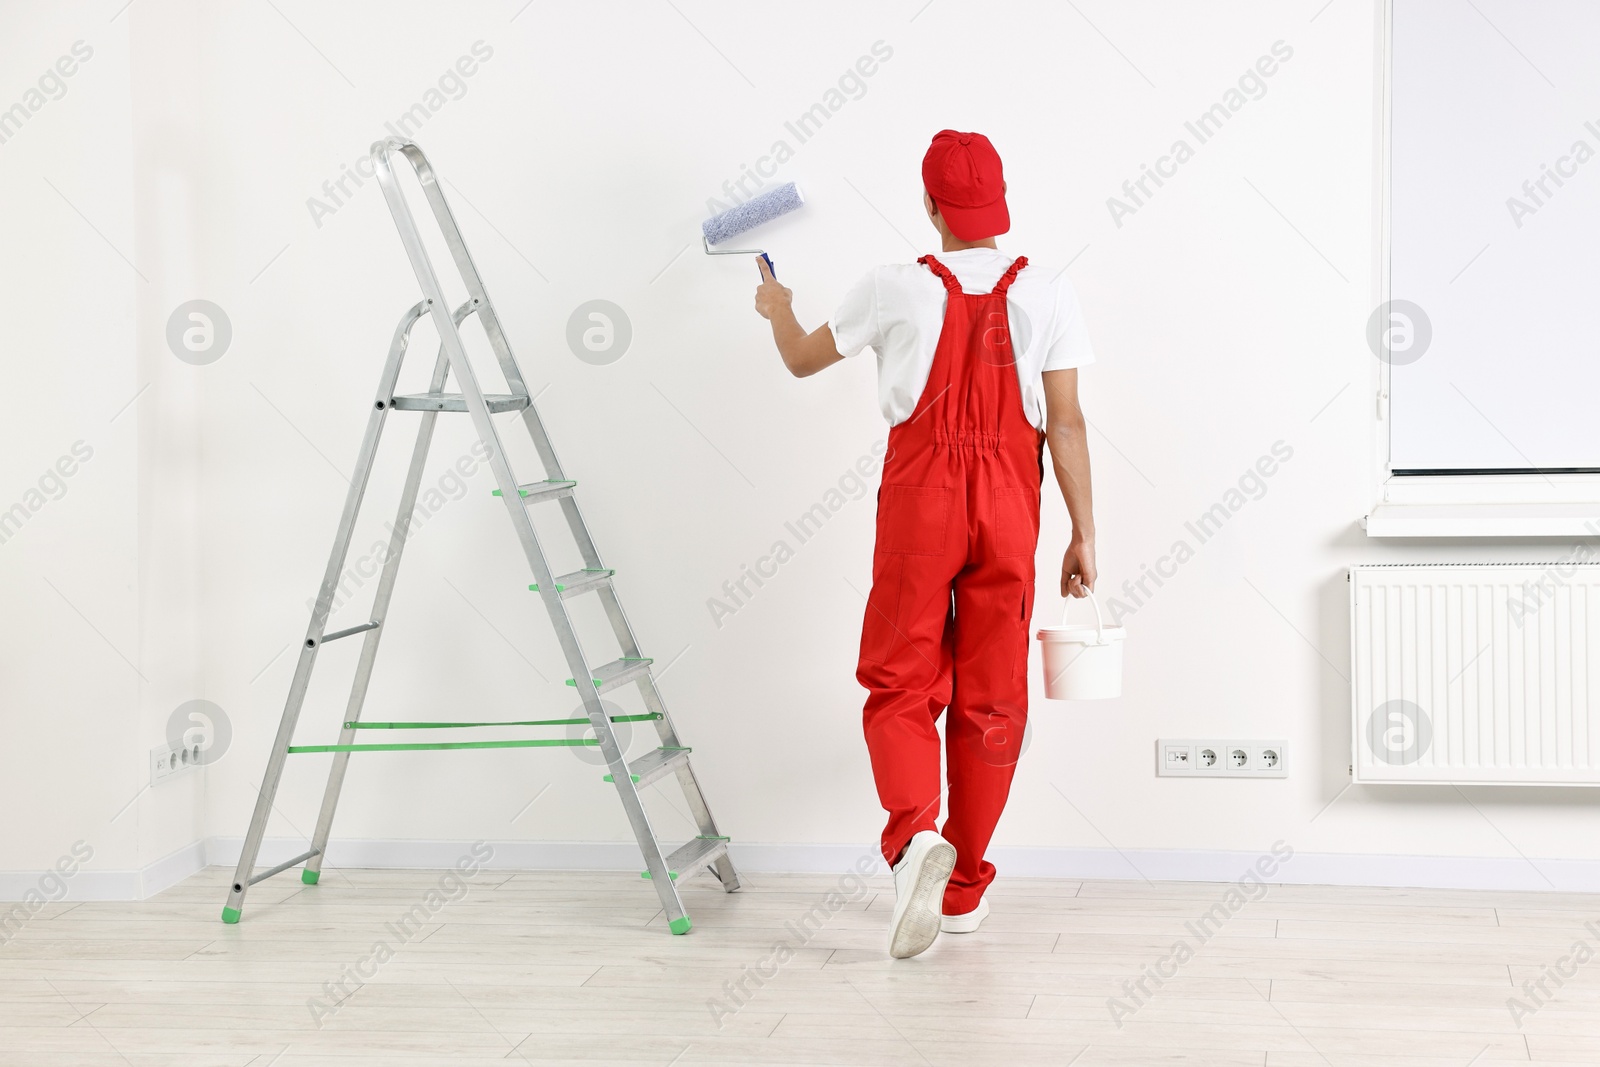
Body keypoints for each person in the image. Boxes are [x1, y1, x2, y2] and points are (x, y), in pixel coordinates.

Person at [753, 129, 1097, 959]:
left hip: (924, 498)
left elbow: (802, 360)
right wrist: (1085, 531)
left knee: (901, 674)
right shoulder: (1048, 293)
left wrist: (778, 308)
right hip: (1013, 502)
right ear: (997, 206)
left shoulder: (893, 286)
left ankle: (914, 844)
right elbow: (1070, 422)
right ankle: (964, 883)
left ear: (931, 206)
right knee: (992, 695)